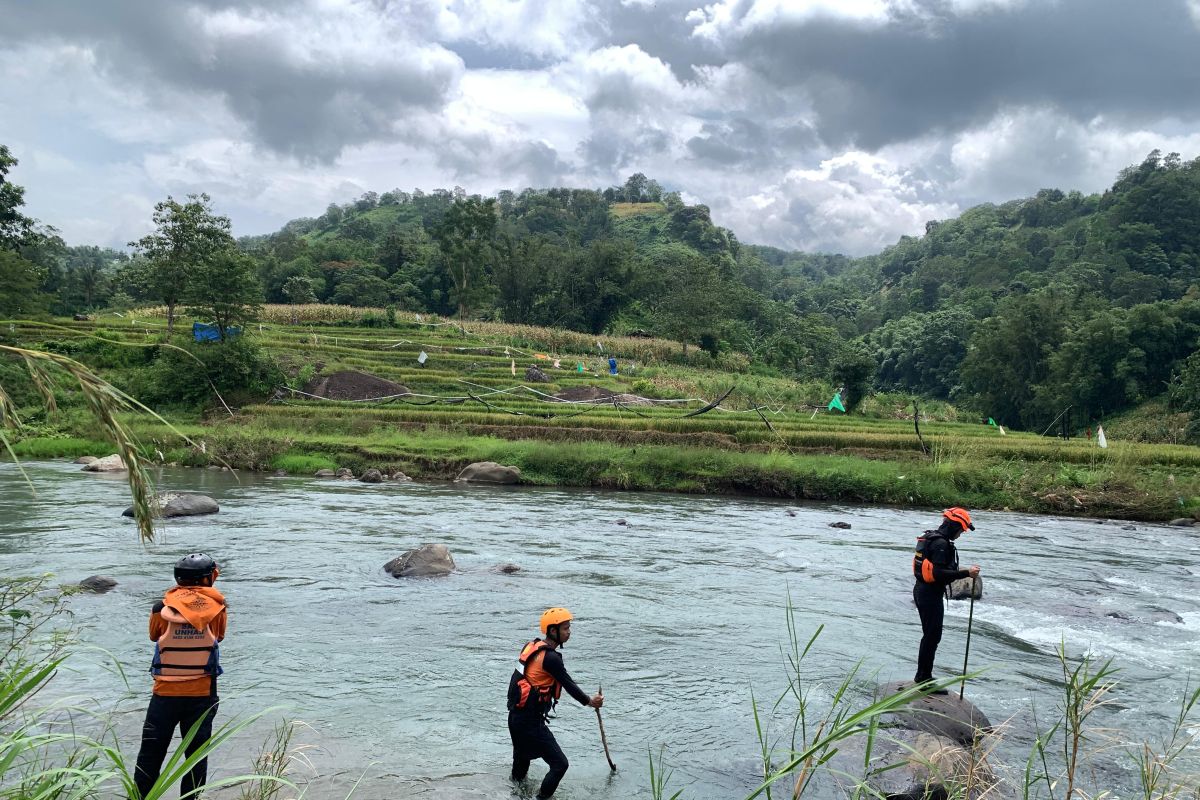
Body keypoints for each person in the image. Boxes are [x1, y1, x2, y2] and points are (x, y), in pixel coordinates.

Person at [133, 553, 226, 799]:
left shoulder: (159, 608)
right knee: (195, 758)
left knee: (150, 755)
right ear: (207, 579)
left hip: (164, 695)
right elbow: (219, 636)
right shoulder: (218, 609)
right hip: (202, 695)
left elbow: (154, 635)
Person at [507, 607, 603, 799]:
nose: (569, 632)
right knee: (560, 764)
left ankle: (513, 795)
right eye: (565, 628)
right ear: (553, 631)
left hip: (516, 718)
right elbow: (569, 685)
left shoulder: (531, 647)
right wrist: (591, 702)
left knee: (521, 764)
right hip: (529, 722)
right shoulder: (551, 658)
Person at [911, 507, 981, 693]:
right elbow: (939, 573)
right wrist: (966, 573)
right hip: (929, 594)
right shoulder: (940, 544)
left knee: (931, 635)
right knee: (932, 636)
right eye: (961, 531)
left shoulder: (931, 538)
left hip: (923, 591)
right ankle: (923, 679)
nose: (960, 535)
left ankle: (923, 675)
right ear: (954, 527)